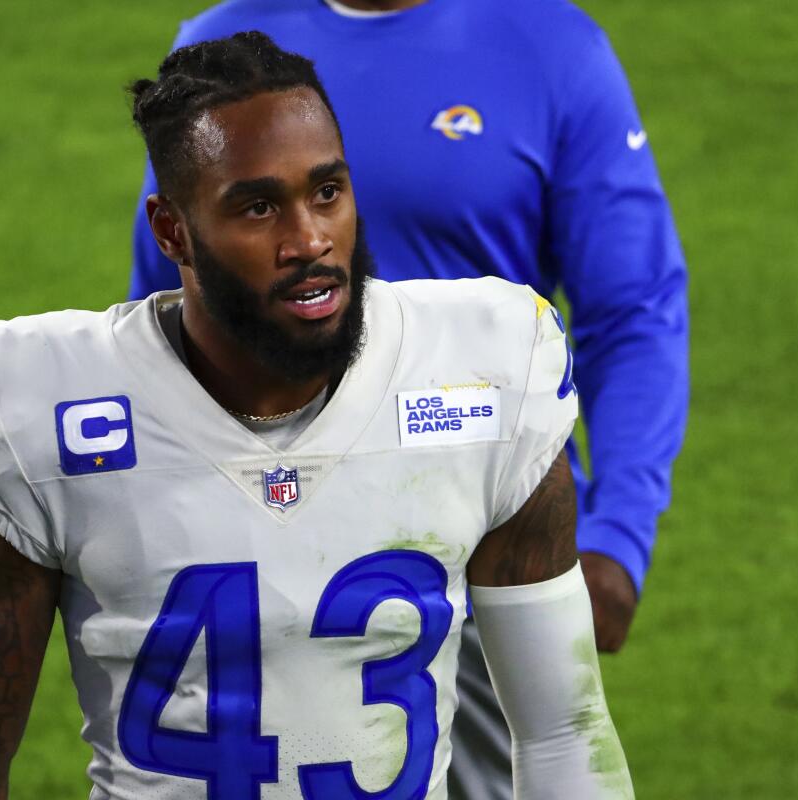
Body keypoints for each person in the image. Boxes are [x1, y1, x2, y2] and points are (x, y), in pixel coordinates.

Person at [0, 32, 632, 799]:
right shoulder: (39, 409)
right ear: (172, 231)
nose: (310, 240)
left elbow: (563, 735)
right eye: (257, 207)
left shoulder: (487, 369)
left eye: (327, 192)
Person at [128, 4, 688, 797]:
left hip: (475, 547)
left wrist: (617, 535)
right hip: (254, 550)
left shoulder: (548, 45)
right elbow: (168, 310)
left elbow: (631, 308)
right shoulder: (224, 49)